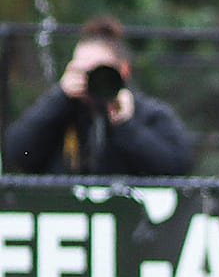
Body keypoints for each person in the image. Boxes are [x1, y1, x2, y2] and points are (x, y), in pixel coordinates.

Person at [3, 16, 192, 177]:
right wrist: (60, 98)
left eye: (98, 72)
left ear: (123, 70)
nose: (89, 80)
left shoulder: (147, 114)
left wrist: (126, 126)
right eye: (81, 71)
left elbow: (177, 168)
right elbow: (18, 154)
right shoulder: (59, 110)